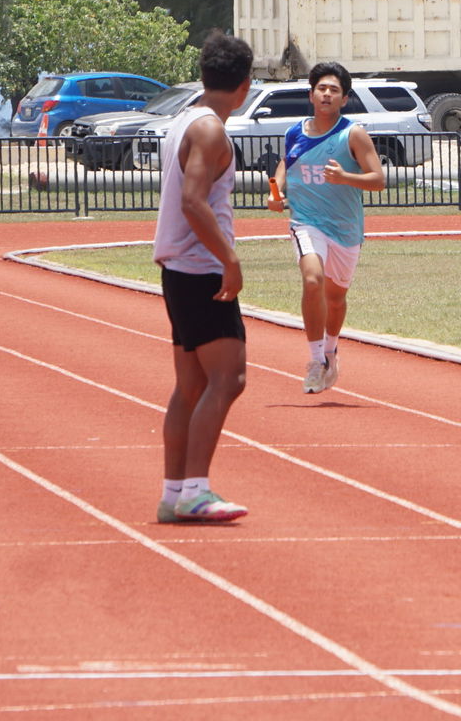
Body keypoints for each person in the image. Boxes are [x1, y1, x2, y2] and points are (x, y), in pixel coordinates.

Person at [154, 32, 255, 523]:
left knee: (191, 385)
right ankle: (195, 490)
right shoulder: (210, 130)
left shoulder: (184, 119)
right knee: (229, 378)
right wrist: (229, 259)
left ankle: (174, 493)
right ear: (246, 86)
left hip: (180, 270)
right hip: (200, 270)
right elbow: (194, 203)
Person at [267, 62, 386, 393]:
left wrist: (345, 177)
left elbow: (378, 180)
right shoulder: (295, 132)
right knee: (312, 280)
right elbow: (286, 164)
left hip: (345, 229)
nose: (327, 94)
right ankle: (316, 360)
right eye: (321, 88)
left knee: (335, 299)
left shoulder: (353, 134)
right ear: (311, 95)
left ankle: (331, 351)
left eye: (334, 90)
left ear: (344, 99)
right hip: (306, 221)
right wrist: (275, 192)